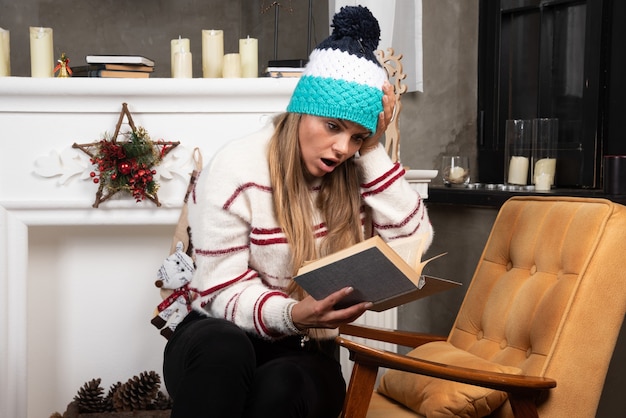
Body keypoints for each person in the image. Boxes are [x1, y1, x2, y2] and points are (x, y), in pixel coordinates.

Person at [162, 5, 433, 418]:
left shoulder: (358, 166)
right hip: (217, 335)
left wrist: (374, 150)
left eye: (357, 136)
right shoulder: (236, 167)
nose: (343, 148)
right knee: (224, 349)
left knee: (281, 386)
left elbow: (410, 246)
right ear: (302, 109)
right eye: (333, 126)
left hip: (308, 350)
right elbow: (220, 289)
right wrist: (293, 313)